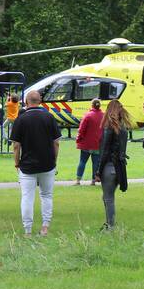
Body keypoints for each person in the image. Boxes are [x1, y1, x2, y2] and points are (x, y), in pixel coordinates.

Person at [9, 90, 62, 236]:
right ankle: (45, 227)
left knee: (27, 197)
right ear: (40, 101)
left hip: (27, 165)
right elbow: (56, 143)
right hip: (47, 164)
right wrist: (54, 160)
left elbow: (16, 145)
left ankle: (27, 230)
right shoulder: (49, 117)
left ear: (26, 102)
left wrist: (17, 163)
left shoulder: (21, 119)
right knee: (47, 195)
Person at [96, 99, 132, 229]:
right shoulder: (123, 128)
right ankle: (109, 223)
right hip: (119, 167)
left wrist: (98, 171)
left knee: (108, 198)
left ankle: (110, 226)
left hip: (109, 166)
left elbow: (105, 151)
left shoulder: (109, 127)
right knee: (108, 197)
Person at [75, 98, 103, 185]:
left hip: (86, 144)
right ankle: (93, 181)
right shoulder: (104, 115)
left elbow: (81, 130)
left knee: (82, 161)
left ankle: (78, 180)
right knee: (95, 163)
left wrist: (78, 139)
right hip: (98, 144)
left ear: (92, 105)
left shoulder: (87, 115)